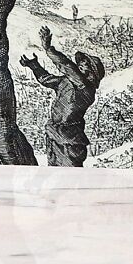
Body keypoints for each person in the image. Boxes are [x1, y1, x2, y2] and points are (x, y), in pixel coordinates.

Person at [20, 26, 105, 167]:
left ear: (92, 72)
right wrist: (34, 65)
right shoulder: (67, 82)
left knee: (71, 177)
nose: (80, 65)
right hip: (54, 136)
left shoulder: (86, 89)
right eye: (80, 63)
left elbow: (66, 65)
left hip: (70, 140)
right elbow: (45, 79)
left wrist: (48, 48)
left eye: (84, 64)